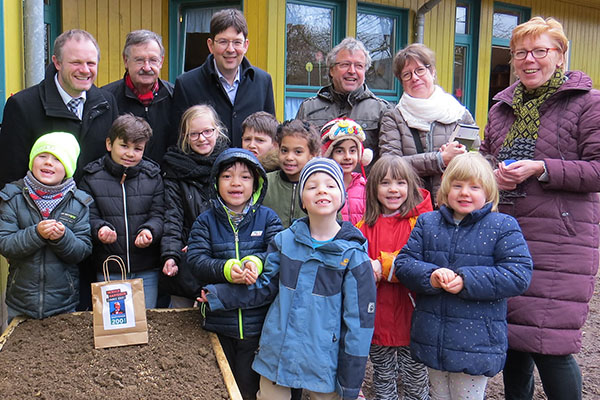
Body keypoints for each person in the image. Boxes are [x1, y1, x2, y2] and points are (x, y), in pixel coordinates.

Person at [479, 17, 600, 400]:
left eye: (540, 51)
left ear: (560, 55)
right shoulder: (501, 109)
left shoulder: (588, 104)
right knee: (513, 340)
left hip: (561, 239)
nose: (529, 60)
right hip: (507, 232)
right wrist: (490, 176)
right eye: (520, 53)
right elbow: (485, 156)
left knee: (552, 345)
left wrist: (543, 168)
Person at [201, 158, 377, 400]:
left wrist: (350, 384)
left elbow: (359, 325)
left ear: (342, 196)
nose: (322, 190)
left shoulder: (353, 256)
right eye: (312, 186)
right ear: (302, 199)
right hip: (279, 355)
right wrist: (220, 295)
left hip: (325, 364)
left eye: (330, 185)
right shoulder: (285, 242)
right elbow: (263, 289)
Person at [394, 152, 533, 400]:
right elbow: (404, 263)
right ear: (446, 189)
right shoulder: (428, 223)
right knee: (438, 394)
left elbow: (518, 274)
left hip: (477, 341)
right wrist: (431, 275)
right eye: (457, 185)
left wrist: (467, 280)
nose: (464, 192)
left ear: (488, 192)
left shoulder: (502, 226)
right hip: (432, 335)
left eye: (474, 187)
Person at [186, 148, 283, 400]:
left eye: (245, 177)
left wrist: (255, 262)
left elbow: (277, 256)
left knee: (250, 388)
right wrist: (227, 269)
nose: (236, 183)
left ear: (257, 183)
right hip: (219, 324)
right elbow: (196, 260)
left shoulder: (268, 219)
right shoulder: (205, 221)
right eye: (227, 176)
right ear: (216, 182)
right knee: (224, 388)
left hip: (258, 327)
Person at [355, 156, 432, 400]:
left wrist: (381, 267)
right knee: (383, 379)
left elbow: (421, 261)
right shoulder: (363, 227)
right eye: (385, 183)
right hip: (377, 319)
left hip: (413, 318)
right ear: (373, 188)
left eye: (400, 183)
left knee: (415, 380)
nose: (393, 190)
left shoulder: (420, 223)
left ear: (410, 186)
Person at [0, 29, 118, 186]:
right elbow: (11, 177)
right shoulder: (22, 106)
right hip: (41, 209)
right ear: (57, 62)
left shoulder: (107, 103)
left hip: (96, 208)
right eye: (76, 62)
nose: (84, 70)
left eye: (90, 63)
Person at [0, 132, 92, 322]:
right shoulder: (13, 197)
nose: (48, 162)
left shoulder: (79, 202)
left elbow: (82, 251)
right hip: (21, 302)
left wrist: (62, 237)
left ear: (67, 168)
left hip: (63, 303)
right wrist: (37, 233)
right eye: (42, 156)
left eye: (57, 159)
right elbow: (5, 243)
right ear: (32, 161)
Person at [79, 114, 164, 309]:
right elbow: (88, 215)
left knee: (145, 319)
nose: (130, 153)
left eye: (137, 148)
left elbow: (159, 213)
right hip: (109, 266)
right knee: (114, 322)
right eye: (124, 146)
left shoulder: (153, 177)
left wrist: (150, 230)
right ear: (109, 144)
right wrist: (100, 228)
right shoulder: (92, 177)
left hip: (146, 267)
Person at [379, 43, 475, 204]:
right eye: (407, 74)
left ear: (432, 72)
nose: (415, 77)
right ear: (401, 82)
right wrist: (439, 159)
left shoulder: (460, 114)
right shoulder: (394, 118)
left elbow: (477, 157)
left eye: (420, 70)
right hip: (411, 206)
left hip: (454, 205)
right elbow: (390, 164)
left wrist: (459, 156)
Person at [172, 9, 275, 148]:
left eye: (237, 42)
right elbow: (179, 141)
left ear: (246, 45)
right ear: (210, 45)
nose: (230, 49)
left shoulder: (263, 82)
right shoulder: (186, 85)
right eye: (223, 42)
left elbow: (271, 134)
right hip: (204, 169)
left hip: (252, 169)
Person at [160, 105, 229, 308]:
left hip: (221, 256)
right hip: (185, 258)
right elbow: (172, 217)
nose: (202, 138)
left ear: (218, 130)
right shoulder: (174, 168)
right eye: (194, 134)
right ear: (185, 136)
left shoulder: (229, 164)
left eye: (208, 131)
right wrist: (171, 255)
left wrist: (203, 241)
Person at [296, 37, 390, 165]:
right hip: (320, 184)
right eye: (345, 64)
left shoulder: (381, 110)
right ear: (331, 70)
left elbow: (388, 162)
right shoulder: (308, 108)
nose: (352, 71)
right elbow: (297, 151)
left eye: (359, 66)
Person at [103, 29, 174, 164]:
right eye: (139, 60)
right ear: (126, 60)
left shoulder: (175, 96)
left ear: (161, 61)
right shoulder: (106, 98)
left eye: (153, 60)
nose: (147, 67)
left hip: (167, 181)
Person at [262, 119, 320, 228]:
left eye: (298, 152)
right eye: (284, 150)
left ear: (312, 155)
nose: (289, 157)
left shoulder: (320, 187)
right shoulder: (265, 183)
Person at [321, 117, 372, 225]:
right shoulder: (322, 188)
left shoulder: (366, 187)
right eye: (340, 151)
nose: (347, 156)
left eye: (352, 150)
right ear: (329, 155)